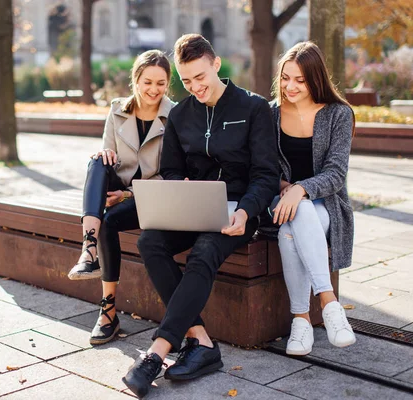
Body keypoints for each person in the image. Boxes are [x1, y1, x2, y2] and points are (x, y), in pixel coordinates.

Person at [122, 34, 279, 398]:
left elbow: (266, 175)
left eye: (200, 78)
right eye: (187, 81)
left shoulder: (253, 108)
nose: (195, 88)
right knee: (150, 242)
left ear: (216, 65)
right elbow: (171, 170)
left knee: (205, 251)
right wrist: (182, 190)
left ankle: (157, 352)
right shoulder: (179, 114)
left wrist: (245, 210)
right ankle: (200, 341)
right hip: (192, 207)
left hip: (239, 211)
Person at [68, 50, 175, 345]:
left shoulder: (175, 115)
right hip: (116, 186)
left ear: (168, 84)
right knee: (97, 160)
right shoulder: (117, 110)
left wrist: (128, 194)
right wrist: (106, 163)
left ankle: (108, 312)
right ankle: (88, 249)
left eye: (161, 83)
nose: (154, 90)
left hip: (150, 196)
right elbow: (108, 156)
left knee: (111, 220)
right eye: (147, 82)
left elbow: (172, 173)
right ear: (135, 80)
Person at [269, 41, 357, 356]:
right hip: (278, 202)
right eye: (285, 78)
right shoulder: (271, 114)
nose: (290, 86)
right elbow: (262, 167)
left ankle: (301, 320)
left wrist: (300, 189)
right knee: (296, 215)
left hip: (326, 203)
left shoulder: (338, 114)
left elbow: (336, 173)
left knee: (293, 226)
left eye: (300, 80)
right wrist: (285, 187)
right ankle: (329, 304)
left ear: (315, 79)